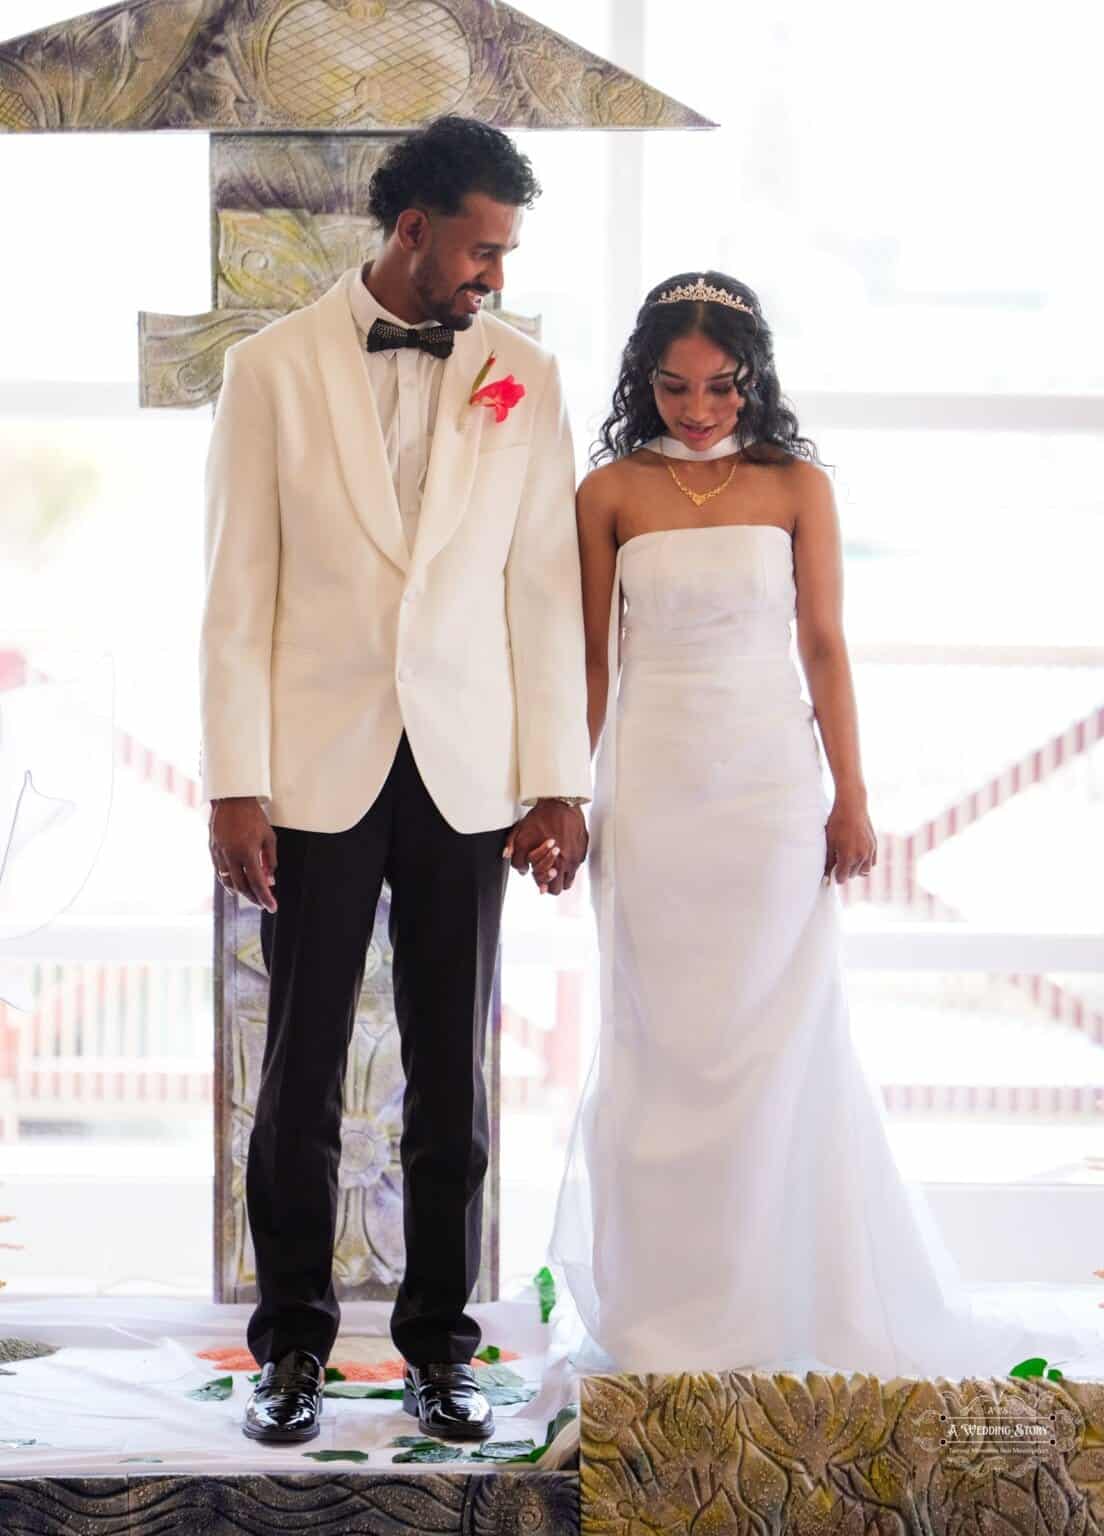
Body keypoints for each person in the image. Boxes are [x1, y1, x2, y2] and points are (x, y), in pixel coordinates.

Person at [547, 271, 1097, 1380]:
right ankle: (664, 1314)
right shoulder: (606, 492)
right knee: (661, 1044)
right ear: (643, 381)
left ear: (753, 380)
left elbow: (826, 648)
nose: (697, 408)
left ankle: (782, 1301)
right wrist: (565, 793)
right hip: (652, 798)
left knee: (776, 1042)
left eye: (719, 386)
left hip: (768, 800)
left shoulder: (800, 486)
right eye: (674, 386)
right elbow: (590, 666)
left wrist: (851, 795)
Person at [200, 115, 591, 1444]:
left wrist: (558, 781)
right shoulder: (270, 370)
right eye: (480, 251)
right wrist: (232, 782)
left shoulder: (524, 376)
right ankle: (292, 1352)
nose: (494, 276)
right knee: (300, 1069)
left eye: (507, 255)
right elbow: (233, 592)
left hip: (470, 773)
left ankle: (440, 1348)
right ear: (413, 230)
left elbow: (542, 591)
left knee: (451, 1073)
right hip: (313, 769)